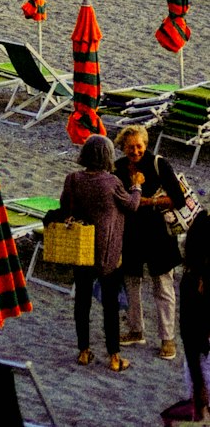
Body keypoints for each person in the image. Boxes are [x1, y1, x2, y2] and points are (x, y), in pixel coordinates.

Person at [52, 132, 141, 371]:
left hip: (81, 247)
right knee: (110, 305)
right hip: (107, 251)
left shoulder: (73, 179)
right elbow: (132, 206)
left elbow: (64, 207)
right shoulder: (111, 183)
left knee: (81, 301)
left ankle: (84, 351)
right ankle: (114, 357)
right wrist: (137, 186)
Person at [115, 123, 185, 359]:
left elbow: (178, 199)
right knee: (132, 282)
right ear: (123, 147)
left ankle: (168, 339)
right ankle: (136, 330)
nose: (135, 151)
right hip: (131, 233)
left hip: (158, 233)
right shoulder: (119, 167)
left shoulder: (159, 164)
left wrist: (147, 202)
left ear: (146, 144)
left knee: (163, 285)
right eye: (130, 147)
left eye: (139, 146)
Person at [178, 209, 210, 420]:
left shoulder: (190, 282)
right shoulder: (193, 284)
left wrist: (198, 385)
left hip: (200, 364)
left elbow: (187, 335)